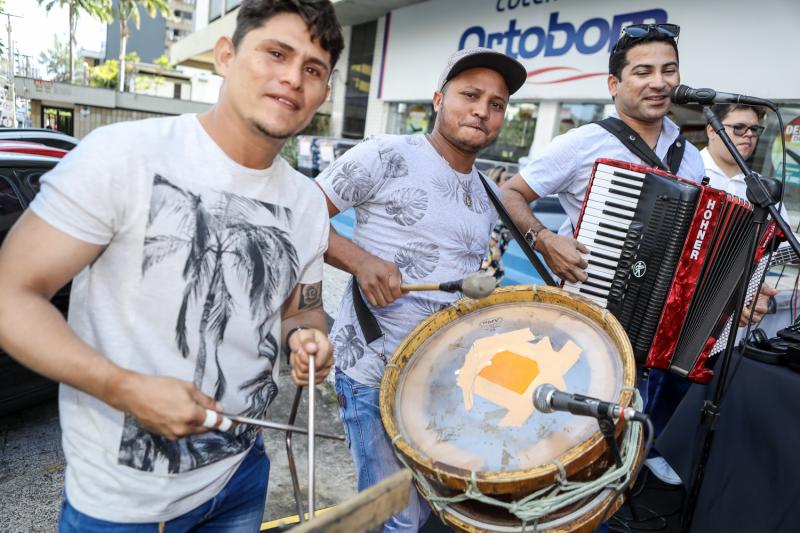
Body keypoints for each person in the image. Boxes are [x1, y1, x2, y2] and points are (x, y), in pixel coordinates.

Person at [0, 1, 343, 530]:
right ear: (225, 55)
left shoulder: (306, 202)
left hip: (240, 474)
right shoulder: (122, 155)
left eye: (313, 69)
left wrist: (307, 339)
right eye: (276, 53)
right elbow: (10, 295)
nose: (293, 78)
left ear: (324, 92)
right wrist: (123, 388)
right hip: (123, 505)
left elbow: (302, 311)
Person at [316, 47, 528, 531]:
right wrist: (360, 261)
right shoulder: (384, 153)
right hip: (374, 371)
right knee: (394, 519)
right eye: (470, 95)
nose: (482, 110)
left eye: (496, 104)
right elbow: (301, 211)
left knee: (434, 508)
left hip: (441, 381)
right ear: (438, 99)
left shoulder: (486, 191)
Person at [500, 23, 704, 486]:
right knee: (573, 438)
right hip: (588, 317)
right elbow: (511, 193)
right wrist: (544, 239)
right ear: (615, 84)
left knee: (625, 431)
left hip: (655, 325)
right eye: (643, 72)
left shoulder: (688, 154)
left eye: (669, 70)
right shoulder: (583, 142)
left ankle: (617, 483)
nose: (659, 82)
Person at [702, 103, 785, 333]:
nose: (748, 135)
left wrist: (756, 285)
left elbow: (778, 245)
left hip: (733, 322)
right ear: (712, 130)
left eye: (754, 129)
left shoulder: (765, 188)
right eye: (739, 127)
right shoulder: (687, 171)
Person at [480, 165, 512, 282]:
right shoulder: (488, 204)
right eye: (505, 179)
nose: (508, 182)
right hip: (488, 259)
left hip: (495, 258)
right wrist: (493, 246)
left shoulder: (503, 202)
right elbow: (485, 226)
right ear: (496, 182)